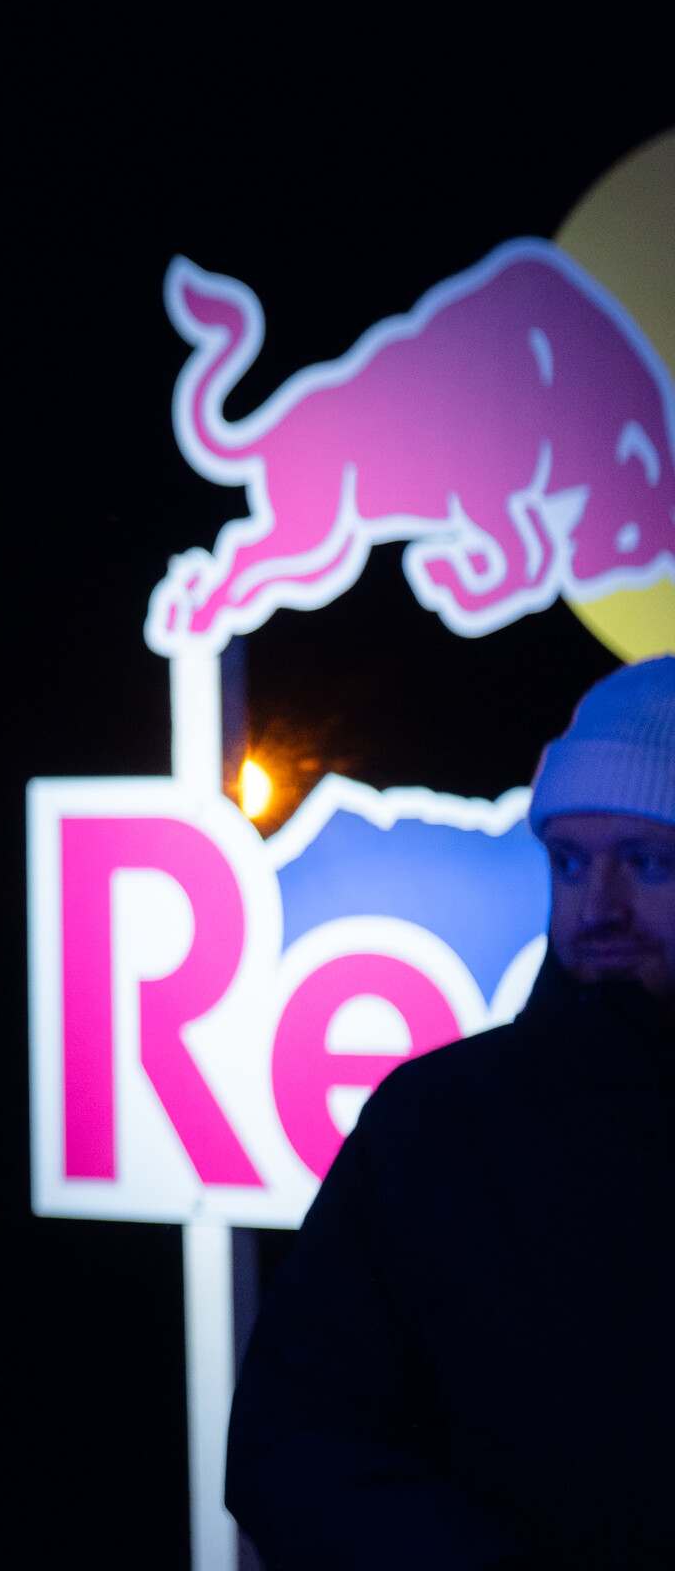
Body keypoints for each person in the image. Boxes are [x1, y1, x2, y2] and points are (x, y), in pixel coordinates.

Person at [227, 658, 675, 1569]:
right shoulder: (435, 1126)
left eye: (647, 861)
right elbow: (293, 1447)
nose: (598, 907)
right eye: (569, 862)